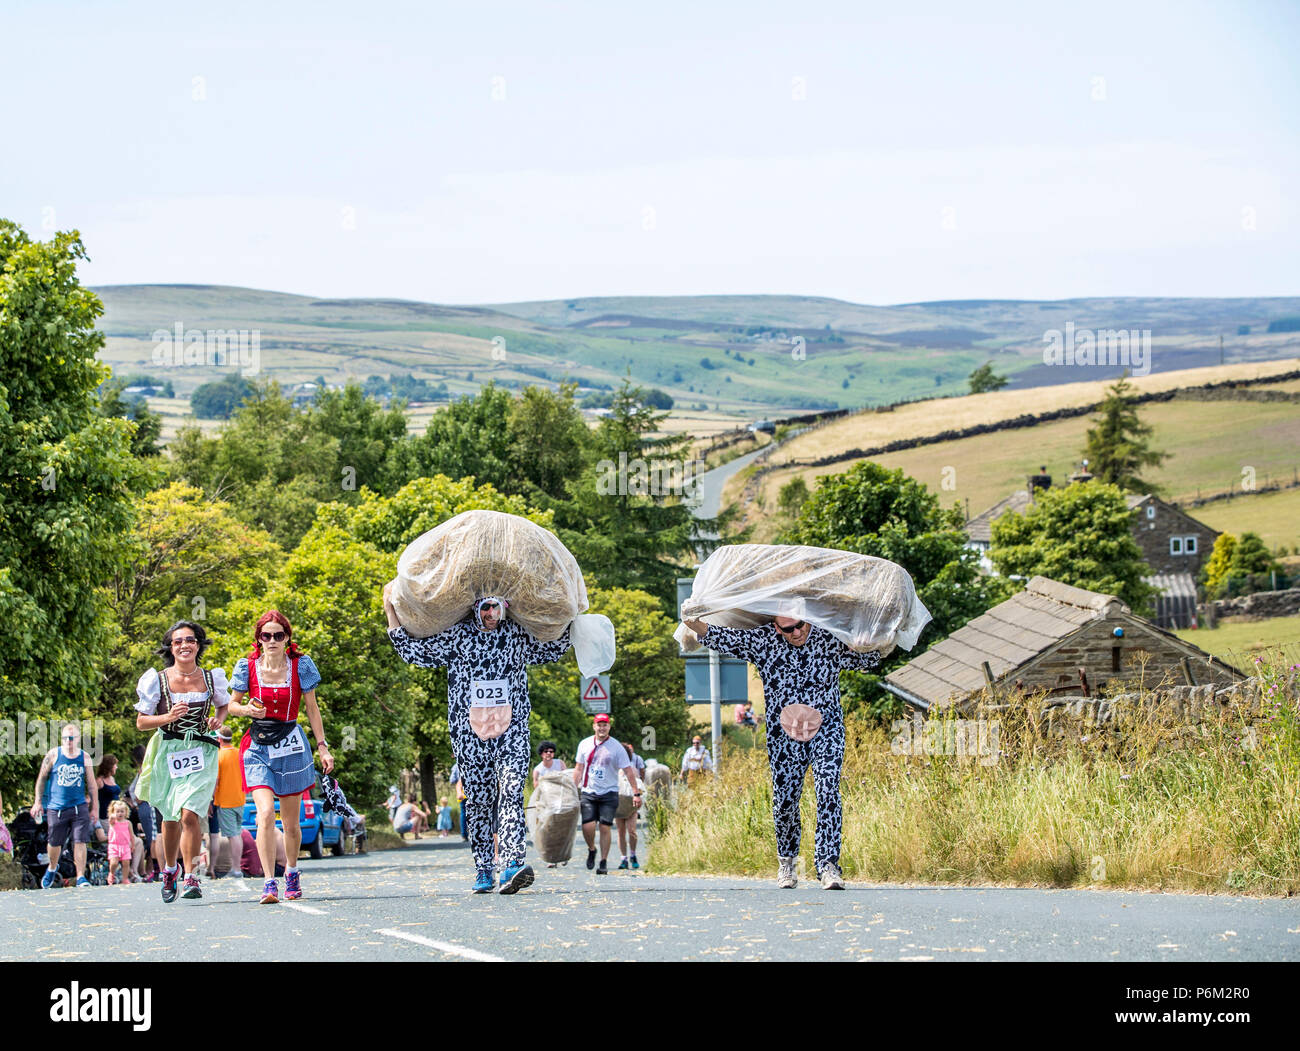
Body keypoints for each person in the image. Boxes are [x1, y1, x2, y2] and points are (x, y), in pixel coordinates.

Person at [385, 588, 571, 894]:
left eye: (496, 608)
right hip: (469, 733)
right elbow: (415, 653)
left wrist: (570, 613)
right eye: (486, 608)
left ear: (505, 608)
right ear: (475, 608)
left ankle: (511, 864)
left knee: (511, 793)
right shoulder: (457, 636)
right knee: (480, 801)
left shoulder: (516, 635)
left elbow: (551, 650)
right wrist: (391, 612)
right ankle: (484, 866)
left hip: (512, 729)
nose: (491, 615)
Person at [684, 614, 882, 891]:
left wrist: (870, 643)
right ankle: (787, 861)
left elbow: (867, 661)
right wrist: (697, 625)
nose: (796, 633)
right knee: (786, 800)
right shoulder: (765, 640)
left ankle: (828, 864)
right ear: (777, 627)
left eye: (800, 625)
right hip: (784, 734)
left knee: (828, 788)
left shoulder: (829, 636)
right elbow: (730, 640)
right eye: (788, 629)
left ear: (808, 619)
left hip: (826, 727)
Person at [227, 610, 333, 905]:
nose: (272, 640)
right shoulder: (247, 666)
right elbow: (231, 706)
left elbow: (312, 709)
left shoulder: (300, 665)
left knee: (290, 823)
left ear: (287, 638)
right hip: (257, 745)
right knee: (263, 814)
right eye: (266, 635)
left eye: (278, 635)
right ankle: (268, 883)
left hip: (291, 743)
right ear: (258, 639)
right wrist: (247, 710)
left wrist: (322, 747)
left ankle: (292, 871)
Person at [134, 621, 230, 903]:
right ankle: (169, 869)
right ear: (171, 648)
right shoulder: (157, 679)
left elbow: (223, 705)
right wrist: (168, 717)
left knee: (190, 813)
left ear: (198, 645)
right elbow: (141, 722)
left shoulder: (212, 678)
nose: (184, 645)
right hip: (168, 750)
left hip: (201, 750)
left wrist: (218, 720)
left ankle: (191, 875)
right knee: (171, 816)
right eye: (178, 641)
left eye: (190, 640)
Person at [32, 723, 98, 888]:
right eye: (65, 738)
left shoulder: (84, 757)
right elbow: (41, 779)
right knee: (54, 843)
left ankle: (81, 876)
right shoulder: (53, 755)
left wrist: (95, 808)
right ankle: (52, 867)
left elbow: (92, 785)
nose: (68, 741)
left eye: (71, 738)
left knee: (80, 840)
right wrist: (37, 802)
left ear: (77, 739)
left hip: (78, 806)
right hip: (57, 807)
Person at [572, 714, 640, 875]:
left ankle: (603, 861)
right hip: (589, 791)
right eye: (599, 725)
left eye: (605, 725)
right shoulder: (585, 744)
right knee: (587, 826)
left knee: (605, 826)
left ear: (609, 727)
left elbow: (628, 771)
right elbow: (578, 768)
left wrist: (636, 793)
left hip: (609, 792)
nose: (602, 728)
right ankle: (591, 849)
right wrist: (573, 789)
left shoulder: (617, 747)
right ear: (594, 726)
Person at [211, 726, 245, 878]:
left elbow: (215, 781)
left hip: (226, 800)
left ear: (219, 739)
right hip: (240, 798)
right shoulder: (239, 753)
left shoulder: (219, 756)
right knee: (237, 833)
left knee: (233, 836)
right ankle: (236, 867)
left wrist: (209, 801)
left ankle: (236, 869)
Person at [615, 741, 646, 870]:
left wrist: (638, 796)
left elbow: (639, 783)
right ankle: (623, 858)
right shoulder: (614, 767)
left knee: (632, 830)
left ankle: (633, 854)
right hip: (618, 802)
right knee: (620, 832)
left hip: (631, 803)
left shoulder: (631, 768)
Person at [106, 801, 134, 885]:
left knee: (126, 863)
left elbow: (131, 835)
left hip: (125, 846)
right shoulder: (113, 822)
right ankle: (111, 873)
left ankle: (125, 879)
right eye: (117, 811)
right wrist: (113, 815)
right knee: (114, 863)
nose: (120, 813)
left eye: (122, 811)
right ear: (113, 812)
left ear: (126, 812)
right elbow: (110, 819)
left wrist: (132, 844)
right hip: (114, 846)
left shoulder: (128, 823)